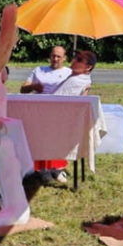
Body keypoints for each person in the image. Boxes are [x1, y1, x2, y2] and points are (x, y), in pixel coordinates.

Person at [40, 49, 97, 183]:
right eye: (75, 58)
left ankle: (46, 168)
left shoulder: (76, 81)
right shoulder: (77, 78)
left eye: (79, 60)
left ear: (88, 67)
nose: (74, 61)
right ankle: (52, 168)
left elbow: (55, 100)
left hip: (59, 121)